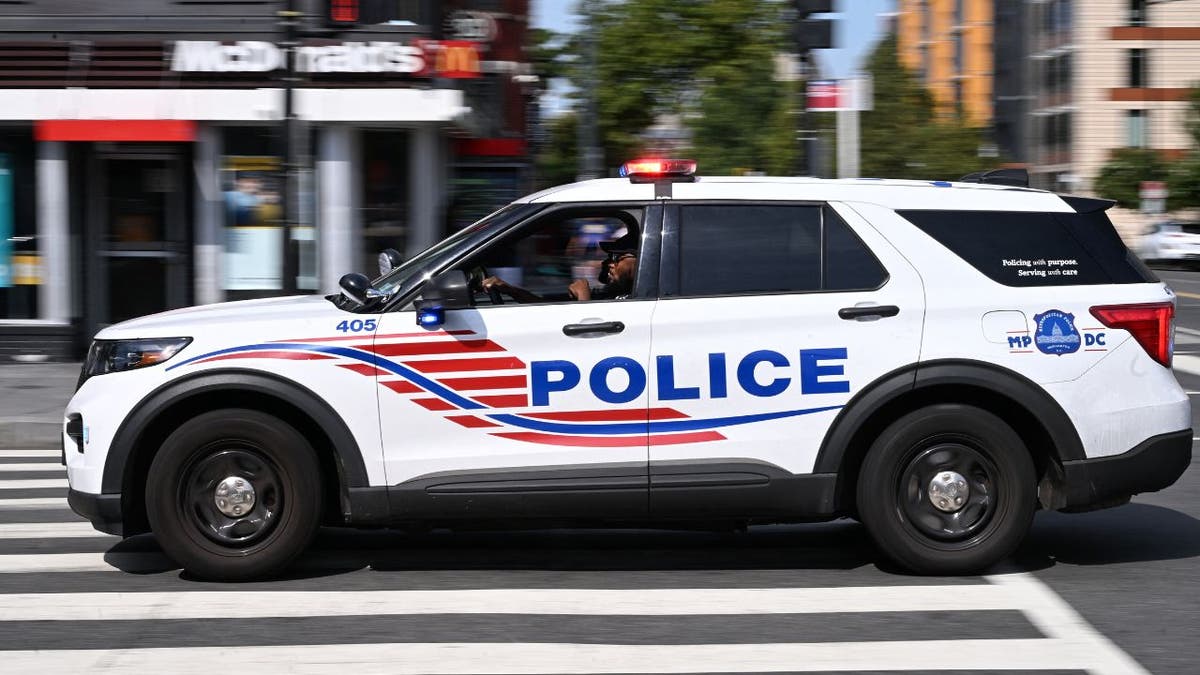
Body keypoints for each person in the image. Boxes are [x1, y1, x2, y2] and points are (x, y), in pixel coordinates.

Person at [482, 232, 638, 304]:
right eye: (608, 258)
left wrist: (583, 297)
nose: (609, 264)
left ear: (638, 260)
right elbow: (545, 307)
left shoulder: (641, 300)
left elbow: (593, 337)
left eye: (616, 258)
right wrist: (511, 290)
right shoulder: (614, 293)